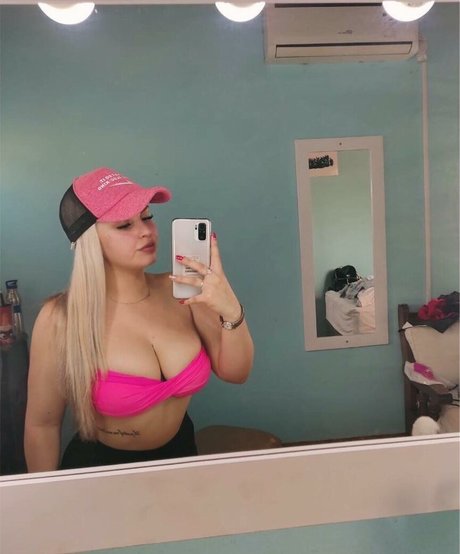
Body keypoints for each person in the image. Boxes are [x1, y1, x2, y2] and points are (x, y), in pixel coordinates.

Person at [24, 167, 253, 471]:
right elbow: (42, 426)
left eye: (147, 217)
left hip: (181, 458)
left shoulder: (183, 291)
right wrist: (47, 495)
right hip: (102, 471)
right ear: (90, 241)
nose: (146, 231)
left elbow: (236, 373)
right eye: (124, 225)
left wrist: (231, 309)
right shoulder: (60, 318)